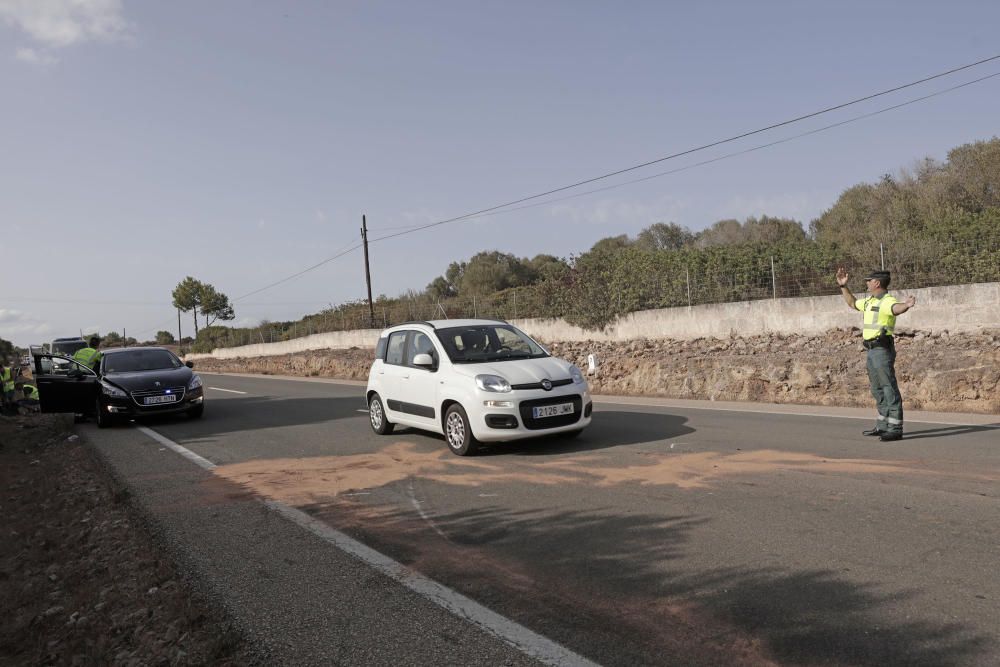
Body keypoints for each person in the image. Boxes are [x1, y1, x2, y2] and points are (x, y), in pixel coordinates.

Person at [836, 268, 916, 441]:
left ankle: (895, 428)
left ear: (877, 283)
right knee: (877, 388)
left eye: (869, 280)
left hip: (882, 349)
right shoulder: (870, 301)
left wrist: (906, 306)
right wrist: (844, 287)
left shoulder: (887, 301)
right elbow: (852, 303)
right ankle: (882, 425)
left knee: (888, 387)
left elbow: (896, 308)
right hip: (871, 350)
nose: (867, 283)